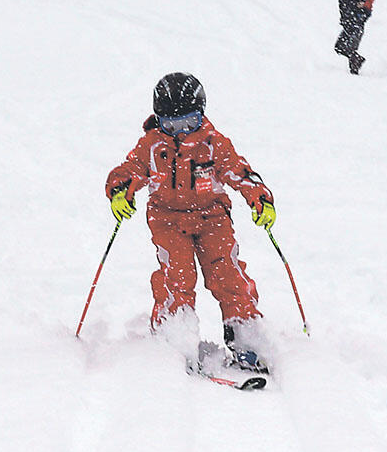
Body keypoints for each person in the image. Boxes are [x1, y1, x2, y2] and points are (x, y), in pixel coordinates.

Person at [105, 73, 276, 372]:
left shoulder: (213, 144)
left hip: (212, 219)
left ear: (202, 115)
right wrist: (121, 190)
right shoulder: (151, 145)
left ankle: (244, 335)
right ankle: (174, 337)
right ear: (159, 120)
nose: (180, 132)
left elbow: (239, 171)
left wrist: (259, 198)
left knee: (228, 274)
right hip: (168, 221)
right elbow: (130, 169)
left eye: (189, 123)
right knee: (177, 278)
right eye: (171, 125)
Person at [332, 0, 373, 74]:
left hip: (355, 28)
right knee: (339, 47)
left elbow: (362, 11)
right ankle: (356, 61)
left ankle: (355, 69)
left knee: (350, 49)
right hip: (348, 27)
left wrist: (356, 19)